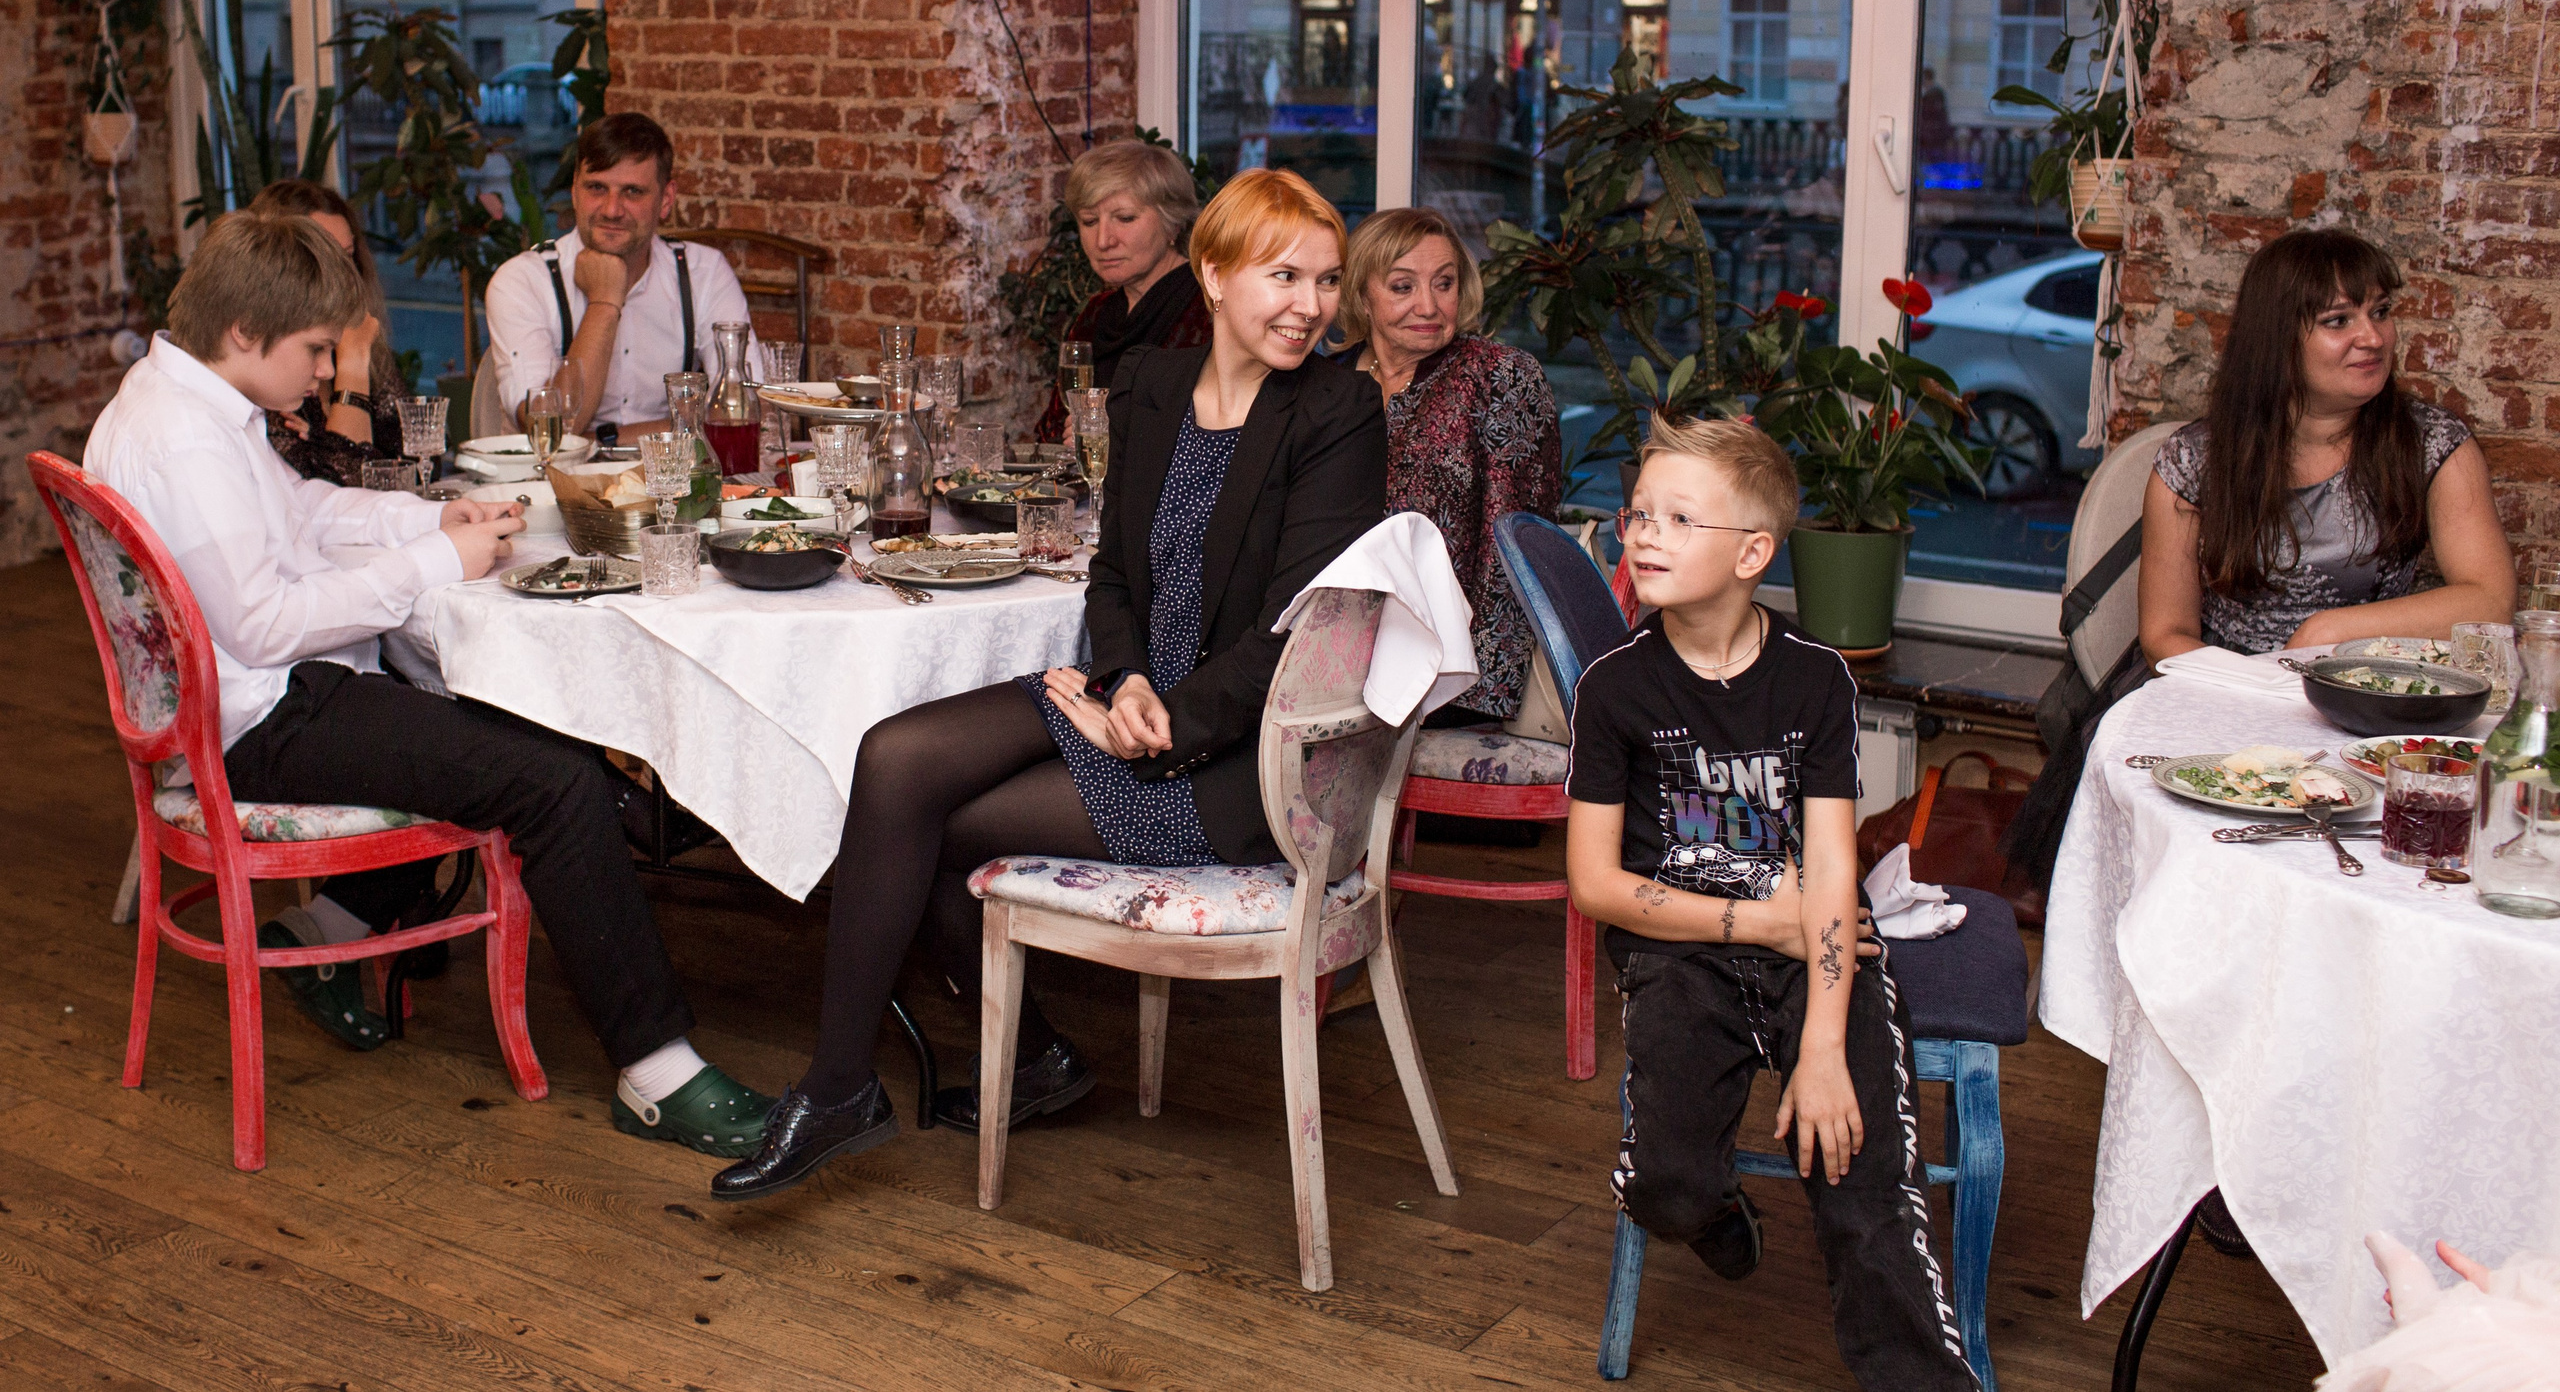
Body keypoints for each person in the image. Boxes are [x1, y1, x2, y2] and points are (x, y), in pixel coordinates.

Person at [713, 168, 1385, 1201]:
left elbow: (1290, 634)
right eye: (1283, 276)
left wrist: (1163, 722)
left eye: (1327, 280)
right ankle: (868, 1084)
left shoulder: (1337, 408)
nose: (1311, 304)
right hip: (1131, 695)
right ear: (1213, 275)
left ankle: (956, 1071)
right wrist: (1125, 681)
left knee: (926, 826)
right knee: (894, 760)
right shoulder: (1152, 385)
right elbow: (1112, 572)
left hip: (1237, 760)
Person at [85, 211, 773, 1157]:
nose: (326, 372)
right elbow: (263, 623)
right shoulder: (185, 441)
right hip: (254, 721)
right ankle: (656, 1074)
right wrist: (435, 565)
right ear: (244, 331)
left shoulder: (185, 401)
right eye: (315, 349)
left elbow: (301, 510)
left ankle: (320, 934)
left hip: (242, 700)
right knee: (554, 782)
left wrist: (429, 519)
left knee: (492, 720)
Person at [1563, 416, 1975, 1391]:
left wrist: (1824, 1049)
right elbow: (1595, 884)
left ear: (1752, 554)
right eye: (1638, 514)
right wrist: (1755, 920)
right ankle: (1711, 1211)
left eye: (1678, 519)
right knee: (1665, 1185)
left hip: (1817, 951)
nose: (1644, 535)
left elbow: (1830, 866)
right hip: (1678, 955)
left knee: (1862, 1181)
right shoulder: (1614, 689)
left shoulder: (1814, 679)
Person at [2139, 229, 2514, 662]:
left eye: (2380, 312)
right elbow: (2165, 634)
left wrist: (2329, 630)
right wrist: (2257, 685)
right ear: (2277, 338)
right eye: (2339, 321)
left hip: (2363, 680)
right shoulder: (2192, 460)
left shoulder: (2431, 442)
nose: (2374, 338)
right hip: (2226, 684)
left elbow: (2490, 603)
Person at [1330, 206, 1561, 723]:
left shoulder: (1501, 376)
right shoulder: (1327, 383)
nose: (1429, 305)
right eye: (1402, 286)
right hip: (1330, 656)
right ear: (1362, 295)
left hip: (1447, 676)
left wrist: (1477, 694)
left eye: (1444, 283)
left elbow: (1513, 546)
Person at [481, 111, 754, 444]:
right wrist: (604, 302)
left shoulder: (703, 272)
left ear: (666, 200)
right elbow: (549, 433)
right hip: (551, 478)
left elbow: (743, 413)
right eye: (596, 188)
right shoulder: (522, 281)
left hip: (669, 473)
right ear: (574, 192)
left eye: (633, 192)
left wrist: (602, 439)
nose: (612, 210)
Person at [1035, 138, 1214, 441]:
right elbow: (1051, 429)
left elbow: (1225, 433)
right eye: (1089, 221)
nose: (1103, 240)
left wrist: (1122, 432)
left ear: (1172, 223)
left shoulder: (1209, 308)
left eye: (1125, 218)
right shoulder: (1097, 313)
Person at [247, 180, 405, 485]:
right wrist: (352, 364)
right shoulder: (270, 373)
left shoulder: (359, 336)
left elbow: (419, 458)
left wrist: (323, 443)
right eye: (327, 259)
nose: (345, 275)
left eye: (348, 256)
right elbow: (351, 487)